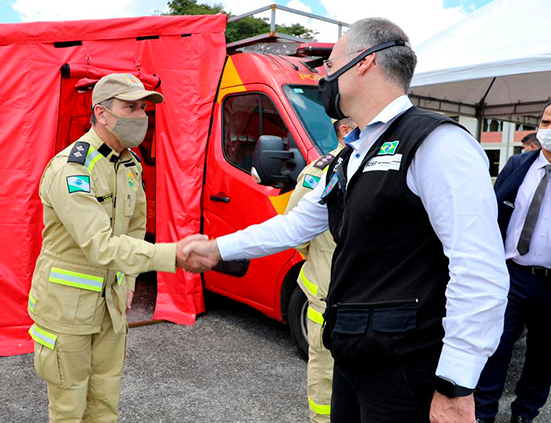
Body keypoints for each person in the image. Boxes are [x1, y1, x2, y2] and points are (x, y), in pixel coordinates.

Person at [182, 17, 509, 423]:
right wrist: (217, 248)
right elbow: (297, 224)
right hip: (354, 358)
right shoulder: (350, 154)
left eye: (331, 65)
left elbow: (479, 271)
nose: (324, 77)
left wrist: (456, 387)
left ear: (365, 62)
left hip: (406, 370)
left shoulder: (438, 144)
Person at [28, 73, 211, 423]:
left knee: (105, 404)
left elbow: (135, 228)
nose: (140, 116)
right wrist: (172, 255)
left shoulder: (130, 163)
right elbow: (100, 245)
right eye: (130, 107)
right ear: (101, 113)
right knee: (69, 409)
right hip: (67, 310)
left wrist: (127, 281)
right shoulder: (73, 169)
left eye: (143, 108)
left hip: (109, 304)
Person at [474, 101, 551, 423]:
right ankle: (483, 412)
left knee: (543, 354)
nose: (548, 128)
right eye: (546, 121)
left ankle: (525, 413)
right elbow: (493, 215)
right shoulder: (518, 164)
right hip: (511, 275)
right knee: (496, 345)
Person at [285, 117, 354, 423]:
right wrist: (321, 260)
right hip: (327, 295)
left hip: (369, 300)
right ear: (345, 129)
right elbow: (295, 227)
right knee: (325, 376)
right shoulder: (320, 171)